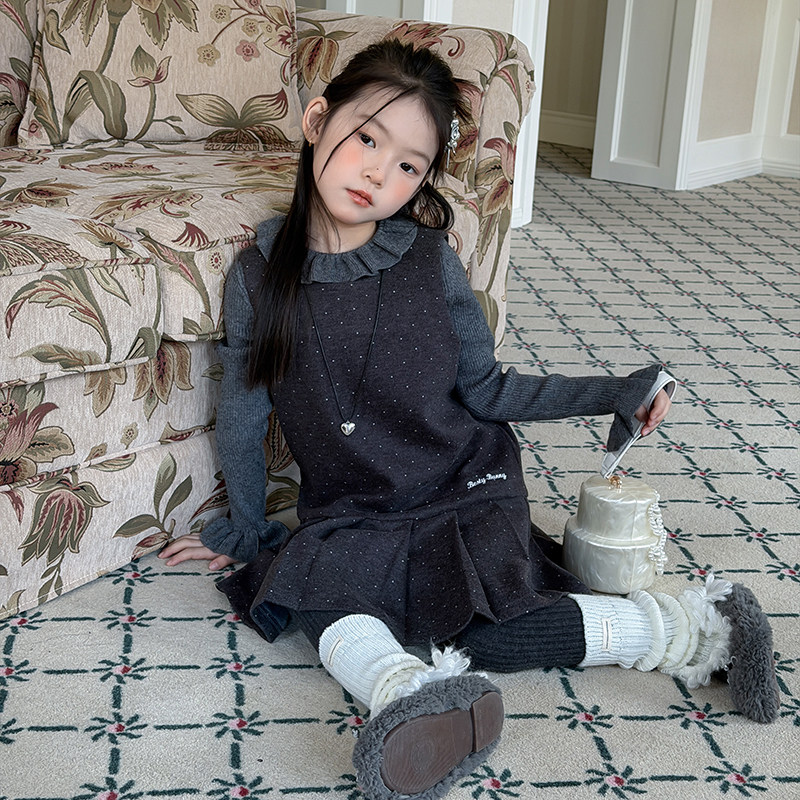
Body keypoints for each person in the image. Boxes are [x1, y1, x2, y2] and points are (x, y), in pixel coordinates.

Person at [158, 39, 780, 800]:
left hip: (464, 484)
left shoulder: (430, 261)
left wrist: (613, 391)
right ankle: (410, 695)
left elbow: (489, 390)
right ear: (317, 122)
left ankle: (696, 627)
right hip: (355, 506)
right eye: (366, 139)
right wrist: (247, 526)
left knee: (485, 629)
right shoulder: (258, 278)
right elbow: (242, 410)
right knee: (313, 589)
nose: (379, 174)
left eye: (409, 165)